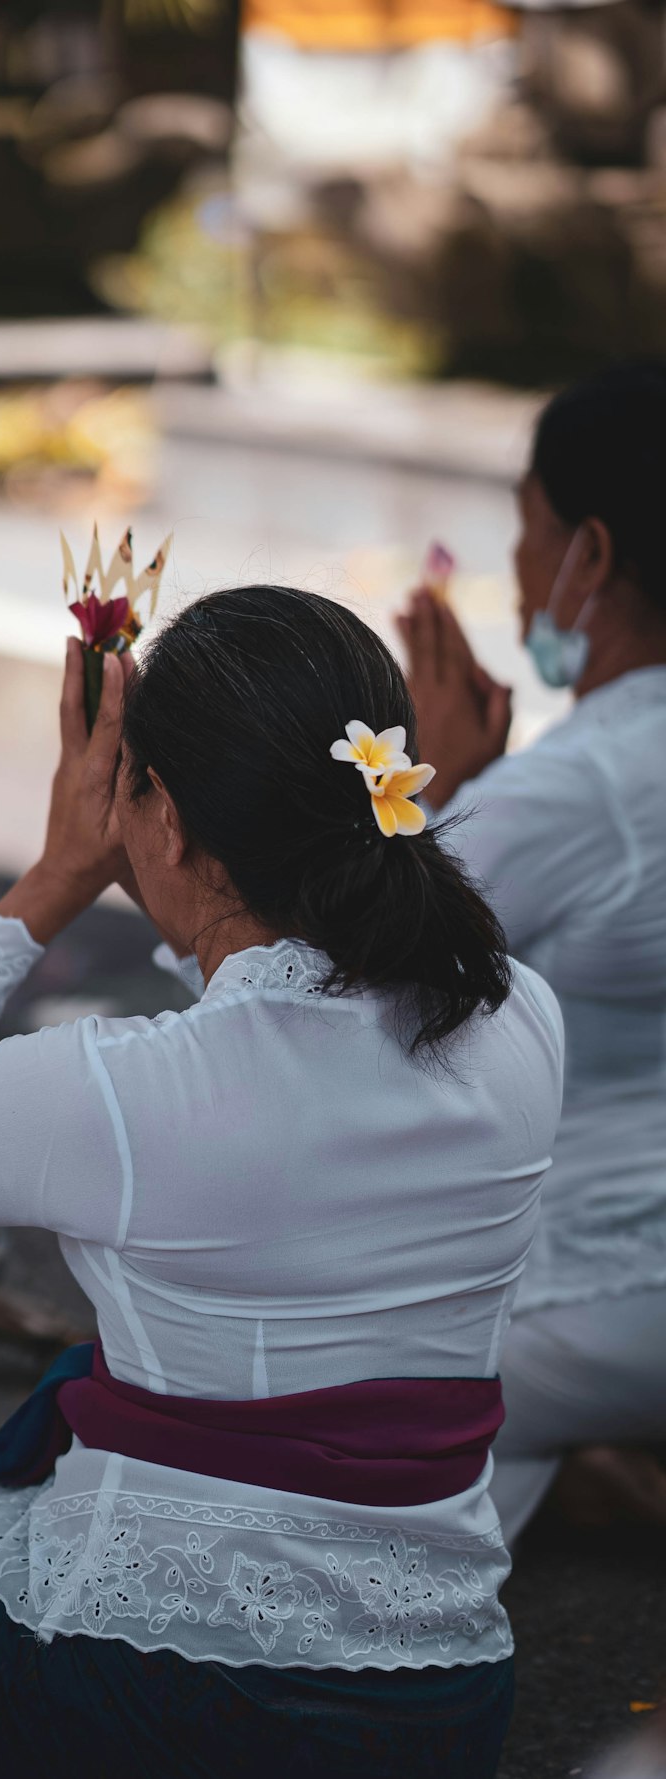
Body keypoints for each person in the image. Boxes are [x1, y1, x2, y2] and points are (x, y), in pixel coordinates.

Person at [0, 587, 564, 1779]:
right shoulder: (515, 1015)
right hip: (443, 1697)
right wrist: (168, 851)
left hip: (185, 1700)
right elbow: (282, 1031)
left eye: (131, 783)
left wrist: (53, 875)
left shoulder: (141, 1094)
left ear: (171, 826)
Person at [399, 359, 666, 1547]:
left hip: (622, 1285)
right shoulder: (575, 779)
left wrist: (434, 787)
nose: (515, 567)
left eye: (526, 527)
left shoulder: (579, 784)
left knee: (307, 1344)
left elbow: (325, 983)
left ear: (590, 558)